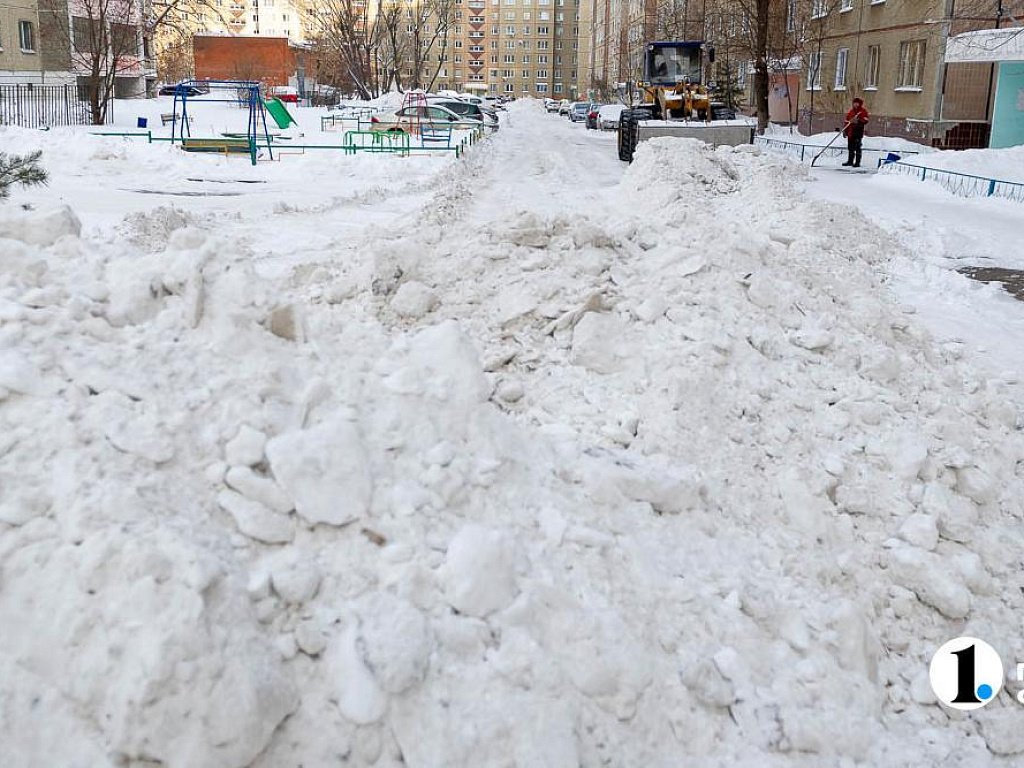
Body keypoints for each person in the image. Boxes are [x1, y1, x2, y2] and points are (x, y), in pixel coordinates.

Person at [843, 97, 870, 167]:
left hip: (858, 132)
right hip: (850, 132)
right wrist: (845, 131)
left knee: (857, 147)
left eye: (857, 103)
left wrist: (858, 121)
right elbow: (847, 122)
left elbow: (866, 120)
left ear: (859, 104)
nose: (855, 105)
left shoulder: (862, 111)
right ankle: (850, 161)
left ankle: (857, 162)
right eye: (854, 103)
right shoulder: (851, 112)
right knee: (850, 148)